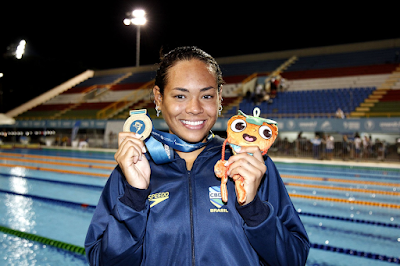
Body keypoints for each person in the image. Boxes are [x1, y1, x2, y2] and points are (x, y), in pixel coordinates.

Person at [85, 46, 310, 265]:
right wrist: (134, 197)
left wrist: (254, 209)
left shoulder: (253, 165)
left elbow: (294, 258)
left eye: (207, 96)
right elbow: (102, 261)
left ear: (220, 97)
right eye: (180, 96)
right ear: (159, 98)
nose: (194, 108)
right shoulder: (132, 168)